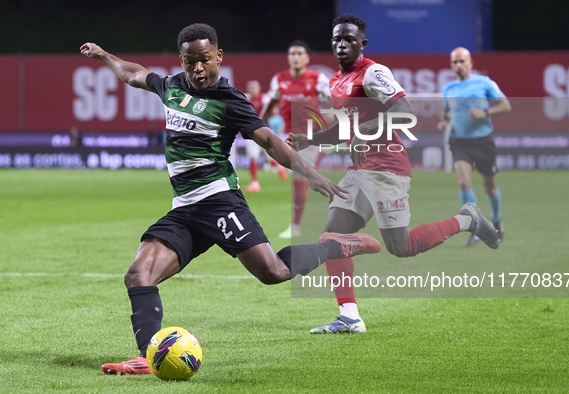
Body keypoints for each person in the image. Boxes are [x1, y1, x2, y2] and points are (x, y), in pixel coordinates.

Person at [80, 23, 383, 375]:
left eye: (205, 60)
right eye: (190, 61)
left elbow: (270, 141)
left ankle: (336, 246)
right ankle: (148, 356)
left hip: (220, 202)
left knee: (273, 272)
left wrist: (310, 174)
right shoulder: (172, 86)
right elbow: (135, 74)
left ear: (218, 56)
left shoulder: (230, 100)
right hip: (184, 210)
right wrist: (104, 56)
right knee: (138, 275)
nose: (198, 69)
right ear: (181, 60)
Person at [289, 14, 501, 334]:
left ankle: (467, 219)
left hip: (388, 168)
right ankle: (349, 316)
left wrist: (363, 129)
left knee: (402, 247)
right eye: (336, 39)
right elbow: (343, 127)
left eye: (348, 39)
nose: (341, 44)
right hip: (359, 171)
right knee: (331, 237)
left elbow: (405, 113)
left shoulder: (373, 72)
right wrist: (312, 139)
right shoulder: (335, 81)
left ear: (362, 43)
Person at [437, 47, 511, 245]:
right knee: (463, 182)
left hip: (483, 141)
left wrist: (485, 112)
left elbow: (506, 105)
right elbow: (446, 110)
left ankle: (496, 220)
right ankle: (476, 226)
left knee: (490, 189)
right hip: (459, 141)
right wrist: (444, 120)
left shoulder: (484, 83)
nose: (458, 65)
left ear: (471, 63)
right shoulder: (449, 88)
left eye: (462, 61)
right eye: (455, 62)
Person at [260, 40, 331, 239]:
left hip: (312, 138)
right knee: (304, 179)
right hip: (292, 139)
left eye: (300, 53)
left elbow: (337, 101)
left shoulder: (317, 79)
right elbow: (271, 104)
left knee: (300, 179)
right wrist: (256, 126)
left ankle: (296, 226)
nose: (296, 57)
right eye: (292, 53)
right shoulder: (279, 79)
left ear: (307, 58)